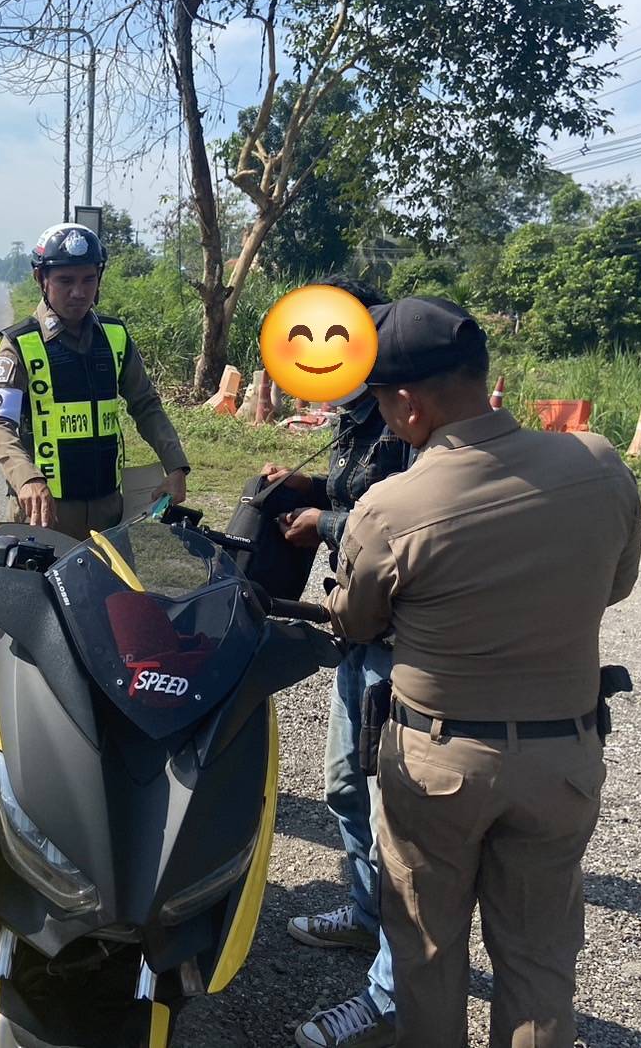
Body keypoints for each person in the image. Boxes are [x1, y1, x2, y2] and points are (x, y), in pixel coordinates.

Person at [324, 296, 641, 1047]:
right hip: (563, 758)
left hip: (438, 763)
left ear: (407, 404)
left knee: (428, 953)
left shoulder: (390, 507)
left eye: (381, 400)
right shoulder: (599, 463)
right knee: (538, 963)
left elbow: (355, 622)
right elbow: (617, 584)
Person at [260, 277, 410, 1048]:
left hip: (400, 642)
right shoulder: (359, 414)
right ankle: (364, 913)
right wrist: (306, 485)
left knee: (398, 820)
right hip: (355, 623)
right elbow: (361, 492)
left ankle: (393, 994)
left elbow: (409, 522)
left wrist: (325, 520)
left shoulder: (409, 419)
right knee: (344, 788)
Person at [0, 222, 190, 540]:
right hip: (45, 514)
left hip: (109, 510)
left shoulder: (115, 337)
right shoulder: (18, 345)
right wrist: (26, 479)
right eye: (65, 280)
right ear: (41, 278)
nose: (78, 292)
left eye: (88, 279)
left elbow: (146, 405)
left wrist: (175, 466)